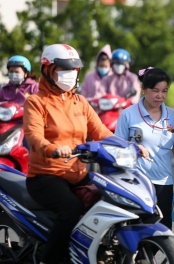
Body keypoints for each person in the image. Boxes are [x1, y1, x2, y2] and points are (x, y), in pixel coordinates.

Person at [23, 44, 113, 264]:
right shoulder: (36, 102)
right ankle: (51, 259)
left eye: (74, 69)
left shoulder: (80, 102)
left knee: (109, 198)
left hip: (78, 172)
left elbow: (101, 131)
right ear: (48, 69)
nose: (70, 74)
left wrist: (129, 146)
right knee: (70, 209)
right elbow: (34, 136)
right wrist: (53, 148)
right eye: (64, 69)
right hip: (46, 176)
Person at [114, 67, 174, 229]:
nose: (160, 96)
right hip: (136, 181)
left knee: (163, 229)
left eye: (164, 91)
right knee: (137, 227)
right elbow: (118, 147)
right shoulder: (128, 115)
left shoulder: (172, 116)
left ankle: (153, 255)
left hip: (164, 182)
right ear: (144, 90)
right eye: (155, 91)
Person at [2, 55, 39, 150]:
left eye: (17, 72)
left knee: (30, 149)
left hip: (27, 127)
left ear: (26, 73)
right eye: (11, 72)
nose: (13, 74)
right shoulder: (4, 90)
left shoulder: (34, 88)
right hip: (6, 127)